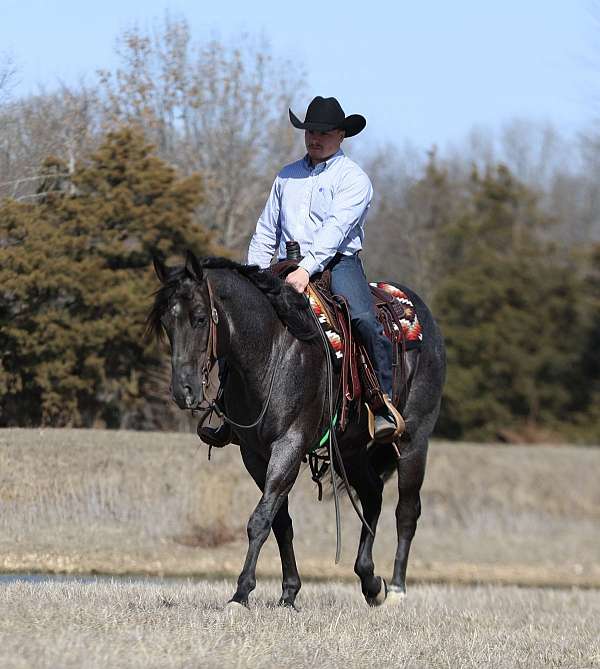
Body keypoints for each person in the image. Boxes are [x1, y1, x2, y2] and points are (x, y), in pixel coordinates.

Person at [200, 96, 400, 447]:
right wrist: (254, 275)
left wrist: (307, 269)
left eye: (323, 132)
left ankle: (380, 400)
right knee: (243, 322)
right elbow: (266, 230)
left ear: (341, 135)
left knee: (364, 320)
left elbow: (335, 231)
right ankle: (228, 408)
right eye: (310, 131)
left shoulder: (353, 179)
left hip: (338, 262)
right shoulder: (286, 175)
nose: (314, 138)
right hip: (284, 263)